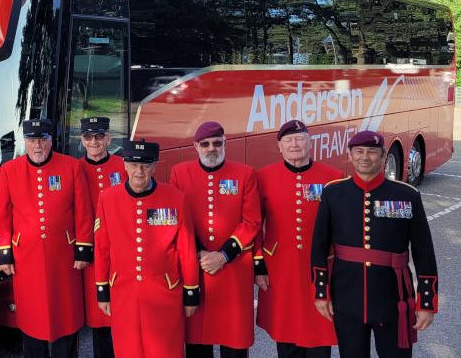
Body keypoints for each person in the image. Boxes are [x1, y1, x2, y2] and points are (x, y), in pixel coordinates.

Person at [311, 131, 438, 358]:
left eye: (372, 152)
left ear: (382, 157)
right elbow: (319, 246)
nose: (365, 157)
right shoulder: (333, 193)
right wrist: (321, 292)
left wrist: (426, 302)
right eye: (359, 152)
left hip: (393, 299)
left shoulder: (407, 195)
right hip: (348, 297)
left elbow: (423, 251)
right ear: (350, 155)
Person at [0, 119, 93, 358]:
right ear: (25, 142)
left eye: (42, 140)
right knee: (31, 317)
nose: (37, 145)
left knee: (66, 316)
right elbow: (3, 214)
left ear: (51, 141)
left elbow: (83, 210)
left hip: (64, 257)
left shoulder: (71, 167)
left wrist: (83, 248)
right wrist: (4, 254)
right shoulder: (9, 170)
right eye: (32, 140)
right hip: (25, 258)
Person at [94, 140, 199, 358]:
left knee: (165, 350)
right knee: (128, 350)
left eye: (145, 165)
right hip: (123, 291)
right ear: (124, 165)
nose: (139, 171)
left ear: (154, 166)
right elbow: (102, 247)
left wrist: (190, 292)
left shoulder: (175, 198)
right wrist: (102, 291)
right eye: (133, 164)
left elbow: (186, 249)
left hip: (164, 292)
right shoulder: (107, 199)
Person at [169, 121, 260, 358]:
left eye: (217, 143)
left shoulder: (245, 173)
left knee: (235, 342)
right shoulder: (180, 173)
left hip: (233, 270)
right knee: (198, 341)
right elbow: (178, 219)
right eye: (205, 144)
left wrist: (223, 255)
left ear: (225, 143)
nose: (212, 148)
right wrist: (198, 253)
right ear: (195, 146)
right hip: (196, 269)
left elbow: (251, 222)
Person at [254, 121, 344, 358]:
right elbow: (254, 226)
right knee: (286, 336)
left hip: (320, 268)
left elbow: (343, 228)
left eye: (300, 138)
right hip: (280, 270)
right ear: (279, 147)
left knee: (319, 333)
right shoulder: (263, 177)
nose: (295, 144)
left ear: (309, 141)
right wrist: (258, 265)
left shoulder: (333, 178)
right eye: (288, 140)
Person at [76, 117, 126, 358]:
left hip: (121, 250)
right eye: (88, 137)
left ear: (109, 139)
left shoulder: (124, 165)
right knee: (98, 317)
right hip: (92, 252)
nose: (94, 141)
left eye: (98, 136)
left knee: (123, 312)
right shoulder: (75, 169)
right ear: (81, 141)